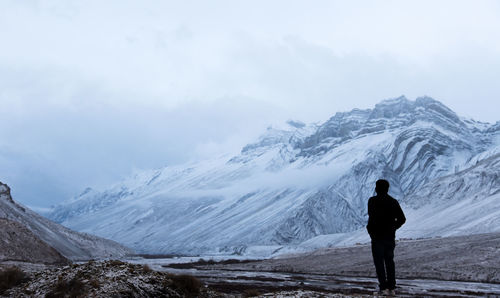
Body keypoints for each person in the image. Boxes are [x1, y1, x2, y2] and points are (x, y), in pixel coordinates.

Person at [367, 179, 406, 296]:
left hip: (377, 237)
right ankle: (391, 288)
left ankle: (383, 288)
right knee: (389, 262)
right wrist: (393, 227)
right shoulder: (393, 202)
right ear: (387, 188)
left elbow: (371, 217)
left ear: (377, 188)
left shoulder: (372, 201)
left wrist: (371, 231)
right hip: (389, 237)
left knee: (379, 263)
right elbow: (402, 219)